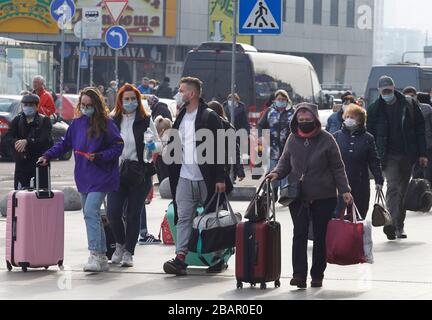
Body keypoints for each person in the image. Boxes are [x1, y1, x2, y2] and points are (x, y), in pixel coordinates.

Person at [267, 103, 353, 289]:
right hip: (297, 196)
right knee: (299, 234)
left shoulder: (327, 139)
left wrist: (345, 190)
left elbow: (338, 167)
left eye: (308, 120)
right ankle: (298, 275)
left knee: (320, 236)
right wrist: (275, 174)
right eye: (301, 120)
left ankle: (317, 274)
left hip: (324, 196)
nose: (304, 123)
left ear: (315, 120)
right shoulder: (292, 139)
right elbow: (284, 162)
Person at [39, 87, 124, 272]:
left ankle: (95, 254)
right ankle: (101, 257)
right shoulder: (77, 124)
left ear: (97, 105)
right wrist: (47, 155)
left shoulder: (107, 123)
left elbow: (118, 146)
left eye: (89, 105)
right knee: (90, 214)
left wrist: (100, 156)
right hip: (84, 176)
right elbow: (64, 144)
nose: (85, 108)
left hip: (102, 175)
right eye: (83, 104)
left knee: (90, 210)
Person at [163, 77, 233, 275]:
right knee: (184, 218)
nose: (178, 93)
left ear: (192, 94)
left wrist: (220, 177)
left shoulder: (209, 116)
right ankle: (180, 258)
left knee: (213, 219)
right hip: (185, 177)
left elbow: (220, 147)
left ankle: (219, 258)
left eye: (181, 90)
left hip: (207, 178)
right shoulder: (181, 116)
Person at [367, 76, 428, 240]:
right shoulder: (374, 109)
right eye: (384, 91)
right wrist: (371, 157)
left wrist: (422, 153)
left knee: (403, 191)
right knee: (393, 187)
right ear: (380, 91)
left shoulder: (408, 104)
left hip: (408, 154)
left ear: (394, 88)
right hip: (387, 156)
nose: (387, 93)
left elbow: (420, 130)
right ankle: (391, 224)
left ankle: (399, 226)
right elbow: (369, 134)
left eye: (389, 90)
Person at [107, 83, 160, 266]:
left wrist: (153, 146)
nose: (130, 102)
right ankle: (120, 245)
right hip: (117, 171)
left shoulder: (145, 120)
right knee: (113, 212)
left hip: (140, 173)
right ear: (120, 101)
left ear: (138, 101)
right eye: (126, 99)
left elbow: (159, 144)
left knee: (133, 214)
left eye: (133, 99)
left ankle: (129, 251)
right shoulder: (112, 119)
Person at [333, 104, 384, 219]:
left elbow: (374, 161)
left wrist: (378, 180)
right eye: (347, 116)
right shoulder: (336, 137)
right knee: (336, 216)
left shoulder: (368, 138)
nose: (349, 119)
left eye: (353, 117)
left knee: (358, 215)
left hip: (360, 182)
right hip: (339, 184)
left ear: (360, 119)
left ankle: (356, 236)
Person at [257, 89, 295, 198]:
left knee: (286, 171)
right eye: (279, 99)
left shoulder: (292, 112)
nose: (281, 101)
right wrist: (260, 137)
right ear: (275, 100)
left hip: (288, 148)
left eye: (283, 99)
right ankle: (273, 192)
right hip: (272, 148)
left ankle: (285, 193)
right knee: (272, 171)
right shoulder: (270, 111)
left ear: (287, 100)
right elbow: (260, 125)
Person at [9, 93, 52, 190]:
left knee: (41, 194)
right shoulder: (17, 120)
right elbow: (8, 137)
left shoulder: (44, 121)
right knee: (20, 196)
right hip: (22, 164)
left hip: (39, 163)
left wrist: (27, 142)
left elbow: (44, 140)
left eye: (31, 105)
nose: (27, 107)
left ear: (37, 106)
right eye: (25, 105)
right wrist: (16, 143)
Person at [208, 100, 245, 183]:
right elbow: (235, 151)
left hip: (206, 167)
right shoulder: (227, 126)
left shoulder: (203, 124)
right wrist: (240, 171)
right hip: (223, 167)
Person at [404, 88, 432, 183]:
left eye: (412, 96)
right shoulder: (403, 110)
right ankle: (418, 196)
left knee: (428, 174)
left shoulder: (427, 108)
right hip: (413, 147)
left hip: (428, 145)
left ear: (416, 95)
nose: (410, 98)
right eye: (407, 96)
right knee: (416, 175)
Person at [153, 115, 173, 183]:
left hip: (161, 160)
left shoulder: (161, 138)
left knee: (163, 180)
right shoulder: (172, 136)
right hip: (165, 160)